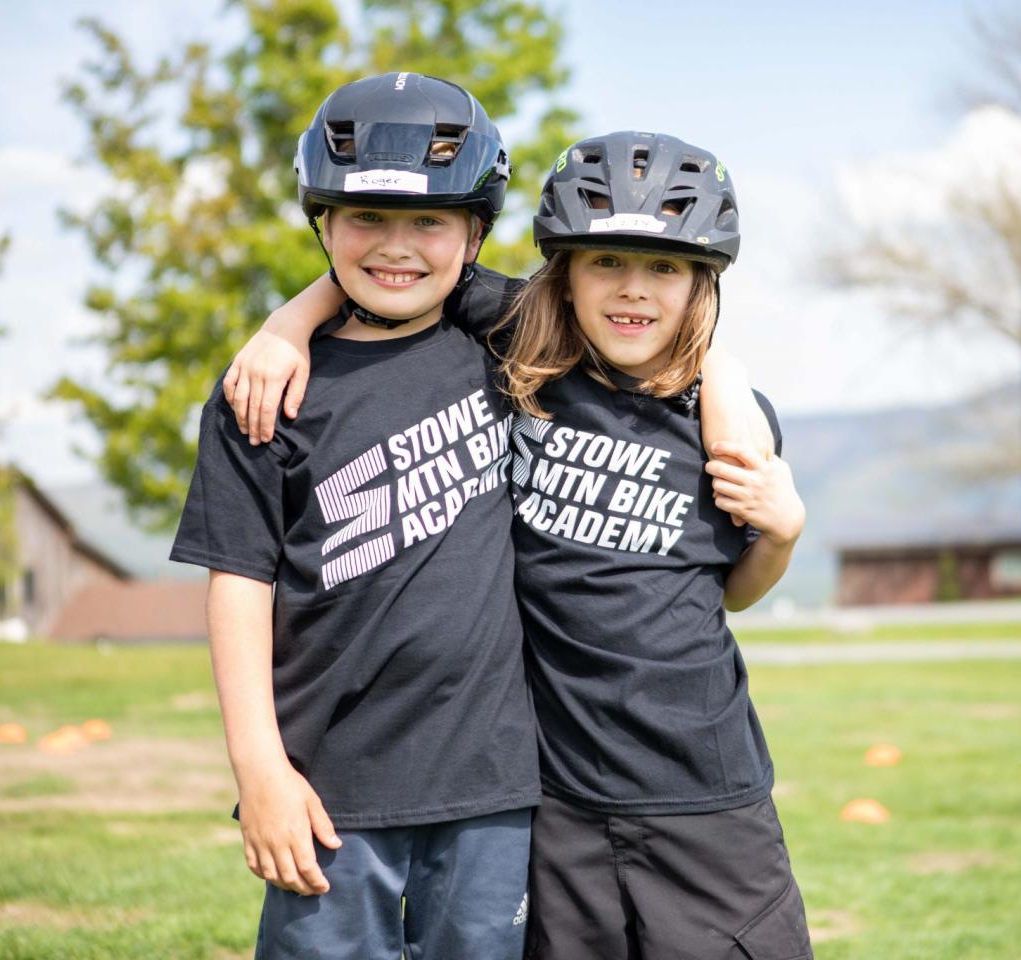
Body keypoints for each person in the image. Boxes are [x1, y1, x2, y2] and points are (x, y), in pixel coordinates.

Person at [225, 131, 812, 959]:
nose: (633, 292)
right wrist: (287, 323)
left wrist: (781, 536)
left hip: (707, 794)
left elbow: (729, 589)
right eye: (605, 264)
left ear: (701, 281)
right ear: (562, 275)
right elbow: (399, 269)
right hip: (559, 804)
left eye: (665, 270)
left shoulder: (727, 424)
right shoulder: (523, 349)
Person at [169, 72, 539, 960]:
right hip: (326, 794)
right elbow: (239, 589)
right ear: (322, 224)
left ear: (475, 233)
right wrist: (260, 772)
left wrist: (298, 306)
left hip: (494, 790)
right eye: (365, 217)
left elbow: (639, 324)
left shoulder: (508, 343)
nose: (397, 247)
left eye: (430, 222)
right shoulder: (264, 395)